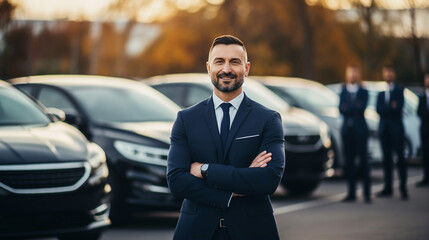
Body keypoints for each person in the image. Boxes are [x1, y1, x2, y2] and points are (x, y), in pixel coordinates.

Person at [167, 35, 285, 240]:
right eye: (219, 61)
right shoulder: (186, 119)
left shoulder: (268, 119)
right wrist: (231, 193)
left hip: (253, 231)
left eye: (235, 62)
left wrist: (205, 170)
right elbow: (177, 180)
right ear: (208, 67)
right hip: (196, 231)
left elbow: (268, 180)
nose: (226, 69)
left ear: (246, 68)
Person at [339, 64, 371, 203]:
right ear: (347, 74)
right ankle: (351, 193)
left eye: (355, 73)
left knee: (364, 161)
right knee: (349, 162)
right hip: (347, 131)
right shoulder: (343, 90)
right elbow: (341, 109)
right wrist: (354, 106)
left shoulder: (364, 91)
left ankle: (367, 193)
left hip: (360, 130)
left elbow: (362, 107)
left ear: (358, 75)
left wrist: (350, 107)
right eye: (350, 73)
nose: (353, 75)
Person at [376, 64, 408, 200]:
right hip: (385, 130)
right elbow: (379, 109)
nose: (388, 75)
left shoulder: (399, 90)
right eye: (386, 72)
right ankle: (388, 188)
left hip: (397, 130)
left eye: (390, 72)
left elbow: (398, 107)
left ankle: (403, 188)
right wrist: (391, 107)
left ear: (393, 74)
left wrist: (388, 109)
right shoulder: (381, 93)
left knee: (400, 158)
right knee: (387, 160)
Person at [416, 71, 429, 187]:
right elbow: (419, 112)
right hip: (425, 129)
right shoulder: (422, 97)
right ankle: (426, 177)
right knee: (425, 154)